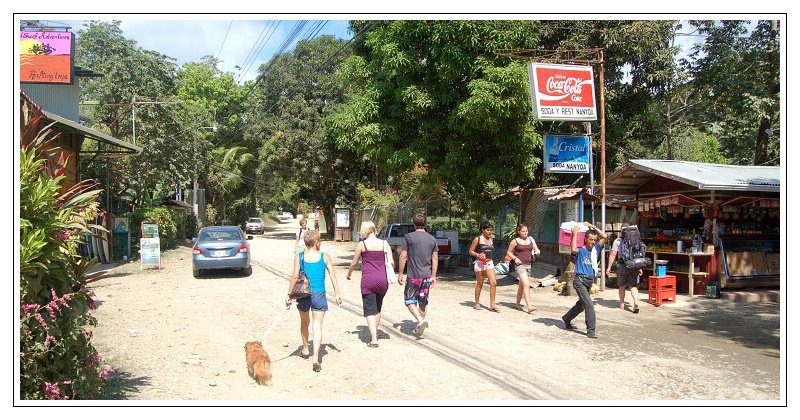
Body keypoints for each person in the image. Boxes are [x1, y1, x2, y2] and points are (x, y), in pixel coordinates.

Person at [285, 230, 343, 372]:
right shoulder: (325, 257)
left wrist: (289, 295)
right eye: (320, 241)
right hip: (319, 294)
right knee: (317, 326)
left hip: (303, 294)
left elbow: (294, 277)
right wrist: (337, 294)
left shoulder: (299, 257)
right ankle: (315, 358)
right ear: (317, 242)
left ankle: (305, 349)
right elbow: (333, 276)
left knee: (304, 323)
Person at [345, 221, 392, 348]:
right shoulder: (384, 243)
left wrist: (349, 274)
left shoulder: (362, 244)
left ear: (364, 230)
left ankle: (374, 338)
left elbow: (354, 263)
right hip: (383, 280)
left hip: (368, 280)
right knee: (377, 308)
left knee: (369, 309)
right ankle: (374, 332)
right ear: (374, 229)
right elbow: (391, 263)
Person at [561, 221, 607, 339]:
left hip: (589, 281)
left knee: (581, 305)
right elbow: (573, 249)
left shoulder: (596, 249)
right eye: (590, 239)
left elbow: (605, 237)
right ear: (585, 239)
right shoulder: (580, 251)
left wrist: (593, 227)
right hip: (579, 281)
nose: (593, 242)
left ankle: (567, 318)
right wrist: (575, 234)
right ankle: (591, 330)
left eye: (594, 240)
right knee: (589, 305)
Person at [397, 213, 438, 337]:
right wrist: (433, 276)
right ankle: (419, 326)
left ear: (413, 224)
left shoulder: (409, 237)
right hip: (426, 275)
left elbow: (403, 256)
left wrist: (400, 273)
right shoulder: (432, 238)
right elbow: (435, 258)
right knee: (423, 302)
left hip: (414, 276)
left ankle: (420, 321)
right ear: (425, 224)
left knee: (409, 300)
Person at [606, 223, 642, 313]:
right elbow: (638, 255)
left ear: (622, 230)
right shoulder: (636, 240)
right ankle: (636, 302)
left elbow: (613, 254)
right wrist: (640, 267)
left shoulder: (618, 241)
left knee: (621, 286)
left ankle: (621, 303)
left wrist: (609, 267)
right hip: (634, 265)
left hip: (622, 265)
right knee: (633, 286)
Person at [505, 223, 541, 313]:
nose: (525, 233)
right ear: (519, 232)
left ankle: (517, 304)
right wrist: (515, 258)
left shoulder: (531, 239)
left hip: (528, 264)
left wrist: (537, 251)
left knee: (521, 286)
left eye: (526, 231)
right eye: (523, 231)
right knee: (526, 284)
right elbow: (509, 252)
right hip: (519, 265)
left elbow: (536, 248)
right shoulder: (515, 241)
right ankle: (529, 306)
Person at [469, 220, 499, 312]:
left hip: (489, 263)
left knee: (493, 283)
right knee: (480, 283)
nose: (490, 232)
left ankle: (492, 304)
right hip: (480, 263)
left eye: (491, 230)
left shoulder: (491, 240)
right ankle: (477, 303)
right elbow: (470, 251)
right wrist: (478, 255)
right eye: (488, 230)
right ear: (483, 230)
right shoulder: (477, 239)